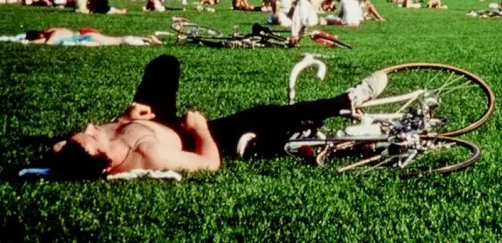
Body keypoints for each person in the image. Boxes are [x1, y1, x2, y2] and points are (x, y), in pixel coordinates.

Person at [48, 55, 388, 177]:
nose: (92, 126)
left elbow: (63, 149)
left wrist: (124, 119)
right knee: (264, 114)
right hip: (187, 135)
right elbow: (209, 164)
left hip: (149, 119)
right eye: (94, 134)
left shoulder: (72, 151)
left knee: (164, 65)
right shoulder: (150, 155)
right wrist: (199, 129)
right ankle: (342, 102)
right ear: (108, 160)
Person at [23, 28, 162, 46]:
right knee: (115, 40)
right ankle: (146, 39)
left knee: (115, 42)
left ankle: (148, 41)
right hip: (86, 36)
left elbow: (47, 43)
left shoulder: (55, 35)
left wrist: (28, 42)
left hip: (87, 38)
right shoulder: (59, 30)